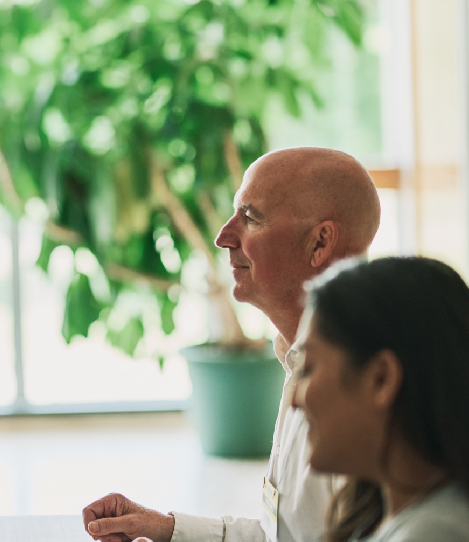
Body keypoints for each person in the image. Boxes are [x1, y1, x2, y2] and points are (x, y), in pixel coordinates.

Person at [82, 147, 381, 542]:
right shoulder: (300, 358)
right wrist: (166, 529)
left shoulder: (360, 397)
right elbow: (284, 536)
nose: (223, 237)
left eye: (250, 218)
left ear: (320, 243)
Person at [294, 256, 469, 541]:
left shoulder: (433, 534)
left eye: (308, 368)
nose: (294, 399)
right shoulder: (384, 514)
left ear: (381, 379)